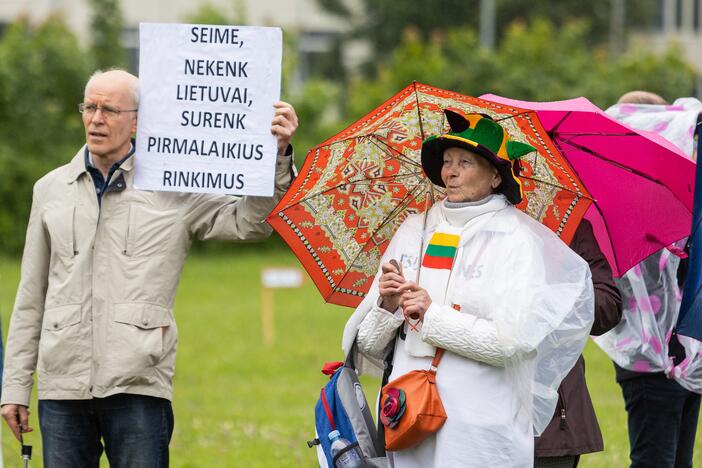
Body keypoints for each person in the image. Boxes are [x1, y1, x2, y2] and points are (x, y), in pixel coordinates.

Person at [0, 69, 298, 467]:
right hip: (62, 386)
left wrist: (277, 156)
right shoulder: (50, 189)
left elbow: (251, 223)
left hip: (138, 383)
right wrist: (15, 387)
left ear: (137, 120)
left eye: (109, 109)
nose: (96, 118)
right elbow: (31, 294)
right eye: (89, 107)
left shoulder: (173, 186)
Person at [342, 110, 594, 467]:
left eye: (465, 162)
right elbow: (368, 345)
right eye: (446, 161)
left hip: (481, 425)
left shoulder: (517, 240)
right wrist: (386, 304)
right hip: (408, 418)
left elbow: (514, 342)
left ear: (495, 176)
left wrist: (432, 316)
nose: (451, 172)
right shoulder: (414, 230)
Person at [595, 91, 702, 468]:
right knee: (656, 459)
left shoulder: (676, 205)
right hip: (652, 359)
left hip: (679, 356)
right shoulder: (643, 209)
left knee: (674, 461)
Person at [534, 220, 623, 468]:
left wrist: (550, 295)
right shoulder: (448, 229)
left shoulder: (565, 224)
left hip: (551, 418)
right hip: (471, 412)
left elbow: (608, 305)